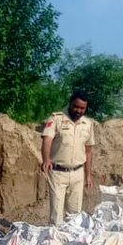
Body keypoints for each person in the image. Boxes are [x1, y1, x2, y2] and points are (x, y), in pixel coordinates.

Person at [40, 90, 96, 225]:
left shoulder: (88, 124)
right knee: (56, 214)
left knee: (75, 214)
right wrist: (46, 159)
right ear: (70, 103)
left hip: (78, 173)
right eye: (76, 106)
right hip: (58, 173)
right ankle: (56, 237)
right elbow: (47, 140)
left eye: (82, 108)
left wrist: (88, 175)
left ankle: (72, 237)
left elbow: (88, 151)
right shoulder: (56, 119)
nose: (79, 111)